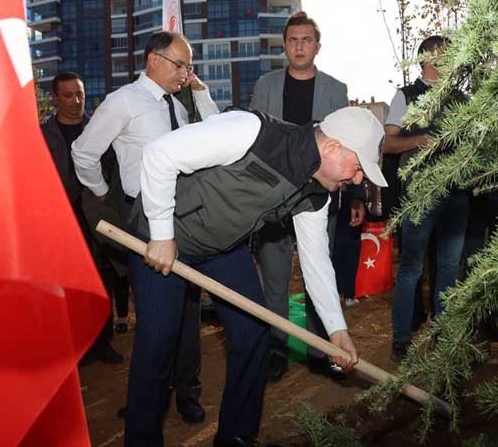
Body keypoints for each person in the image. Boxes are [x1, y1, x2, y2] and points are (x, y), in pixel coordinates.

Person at [137, 106, 382, 447]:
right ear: (331, 147)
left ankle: (236, 436)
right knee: (158, 344)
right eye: (357, 168)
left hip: (223, 246)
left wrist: (336, 330)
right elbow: (159, 153)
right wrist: (162, 235)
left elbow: (316, 262)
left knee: (252, 333)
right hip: (166, 234)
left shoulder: (317, 194)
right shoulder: (252, 131)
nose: (357, 180)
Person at [71, 32, 219, 430]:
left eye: (189, 66)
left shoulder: (180, 102)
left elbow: (213, 133)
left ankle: (187, 394)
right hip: (145, 221)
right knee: (156, 323)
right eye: (180, 65)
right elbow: (83, 152)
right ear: (153, 59)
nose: (185, 73)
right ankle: (146, 408)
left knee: (188, 311)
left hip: (185, 218)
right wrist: (104, 194)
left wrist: (200, 92)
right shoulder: (124, 101)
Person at [249, 11, 364, 382]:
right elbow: (255, 139)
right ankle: (276, 349)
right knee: (275, 278)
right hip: (273, 195)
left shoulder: (336, 89)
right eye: (293, 40)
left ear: (317, 46)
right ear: (284, 46)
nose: (299, 46)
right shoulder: (265, 85)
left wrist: (357, 194)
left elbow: (350, 146)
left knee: (318, 269)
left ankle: (321, 349)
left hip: (319, 195)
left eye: (306, 40)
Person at [384, 35, 470, 361]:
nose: (452, 58)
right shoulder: (405, 96)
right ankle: (401, 337)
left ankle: (443, 336)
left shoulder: (459, 98)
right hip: (419, 195)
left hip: (457, 194)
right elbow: (387, 144)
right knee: (411, 268)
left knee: (450, 267)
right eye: (446, 53)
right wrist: (420, 140)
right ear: (426, 58)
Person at [40, 71, 123, 365]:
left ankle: (103, 341)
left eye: (80, 94)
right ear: (55, 98)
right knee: (70, 282)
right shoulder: (42, 135)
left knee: (103, 278)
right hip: (61, 218)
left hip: (97, 214)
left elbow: (113, 169)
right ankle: (79, 345)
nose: (76, 101)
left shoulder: (98, 128)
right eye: (68, 95)